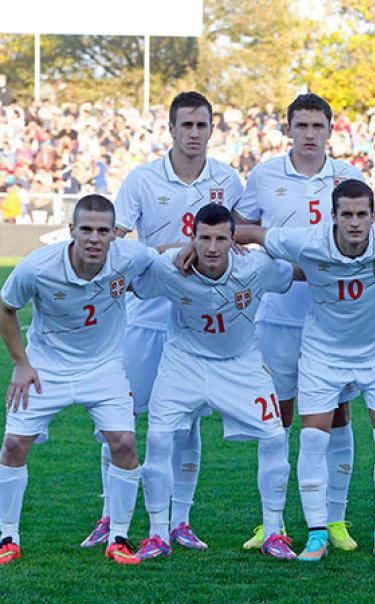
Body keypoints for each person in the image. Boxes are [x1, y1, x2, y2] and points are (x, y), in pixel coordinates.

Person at [231, 179, 375, 562]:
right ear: (333, 216)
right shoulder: (307, 240)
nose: (355, 223)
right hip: (322, 355)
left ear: (373, 216)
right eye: (347, 215)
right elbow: (252, 231)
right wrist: (207, 242)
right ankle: (316, 534)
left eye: (362, 214)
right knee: (312, 441)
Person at [78, 92, 244, 551]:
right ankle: (110, 514)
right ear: (171, 129)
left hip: (195, 322)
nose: (194, 133)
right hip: (145, 320)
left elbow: (240, 238)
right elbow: (119, 243)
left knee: (186, 424)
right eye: (186, 125)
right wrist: (173, 253)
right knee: (121, 419)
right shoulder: (142, 179)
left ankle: (181, 522)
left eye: (202, 125)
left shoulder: (228, 181)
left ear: (213, 130)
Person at [232, 93, 364, 551]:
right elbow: (240, 230)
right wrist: (288, 250)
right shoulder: (265, 175)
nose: (309, 133)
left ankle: (335, 520)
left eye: (317, 125)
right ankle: (271, 523)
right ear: (287, 128)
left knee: (338, 415)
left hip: (334, 317)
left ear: (331, 129)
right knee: (277, 418)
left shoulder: (349, 177)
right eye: (301, 125)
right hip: (279, 317)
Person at [133, 204, 297, 561]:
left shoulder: (257, 266)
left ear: (233, 240)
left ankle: (273, 532)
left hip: (241, 363)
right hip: (183, 361)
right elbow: (134, 273)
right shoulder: (170, 266)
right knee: (159, 438)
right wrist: (170, 250)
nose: (211, 247)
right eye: (204, 238)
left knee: (274, 436)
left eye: (220, 238)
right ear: (192, 238)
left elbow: (291, 273)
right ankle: (159, 533)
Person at [0, 195, 158, 565]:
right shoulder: (37, 267)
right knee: (13, 446)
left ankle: (119, 537)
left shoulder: (129, 258)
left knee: (124, 444)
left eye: (103, 231)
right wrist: (21, 363)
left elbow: (159, 255)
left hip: (104, 368)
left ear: (113, 235)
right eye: (86, 229)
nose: (94, 238)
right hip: (45, 367)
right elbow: (6, 307)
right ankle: (6, 535)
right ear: (71, 230)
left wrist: (194, 251)